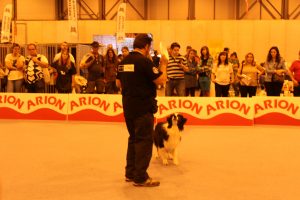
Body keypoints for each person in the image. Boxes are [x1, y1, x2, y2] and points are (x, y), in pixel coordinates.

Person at [116, 33, 167, 187]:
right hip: (143, 107)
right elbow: (161, 80)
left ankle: (130, 173)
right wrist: (163, 63)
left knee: (133, 138)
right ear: (146, 46)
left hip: (128, 106)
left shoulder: (123, 61)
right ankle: (140, 177)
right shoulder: (144, 62)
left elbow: (118, 84)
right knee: (144, 141)